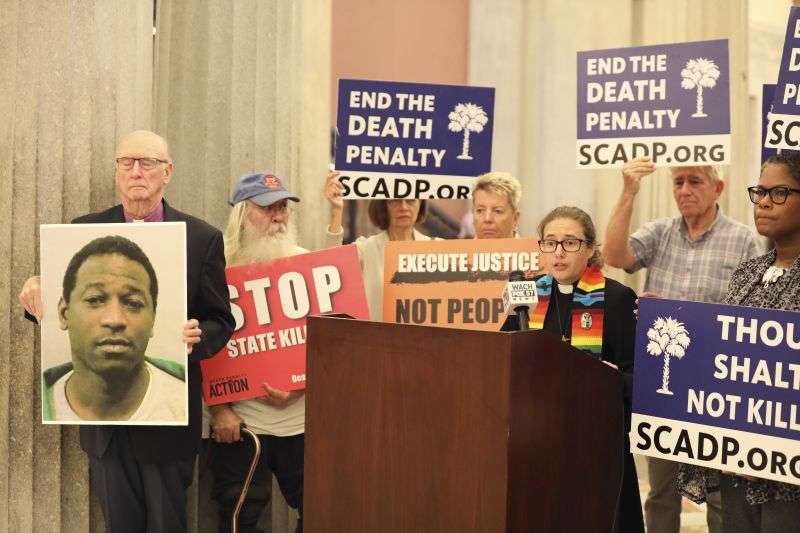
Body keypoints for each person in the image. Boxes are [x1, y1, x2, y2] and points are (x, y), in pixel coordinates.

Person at [18, 130, 235, 532]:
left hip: (169, 426)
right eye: (126, 162)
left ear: (167, 172)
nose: (136, 171)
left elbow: (222, 321)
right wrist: (34, 294)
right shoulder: (82, 230)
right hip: (106, 430)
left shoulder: (201, 238)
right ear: (117, 171)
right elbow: (58, 305)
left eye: (147, 163)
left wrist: (196, 336)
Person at [604, 158, 759, 533]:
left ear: (717, 189)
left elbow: (753, 310)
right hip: (665, 379)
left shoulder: (742, 239)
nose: (684, 191)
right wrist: (629, 190)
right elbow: (614, 255)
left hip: (716, 381)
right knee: (661, 490)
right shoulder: (660, 232)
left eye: (695, 181)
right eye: (678, 183)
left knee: (720, 491)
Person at [503, 206, 644, 533]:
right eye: (550, 243)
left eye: (570, 243)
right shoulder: (527, 297)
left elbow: (639, 382)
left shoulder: (619, 299)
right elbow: (501, 358)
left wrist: (604, 379)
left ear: (590, 249)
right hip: (538, 445)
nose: (558, 252)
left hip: (598, 447)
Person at [679, 153, 800, 532]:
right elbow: (727, 359)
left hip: (789, 472)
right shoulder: (748, 272)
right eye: (760, 192)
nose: (763, 202)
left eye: (779, 192)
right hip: (739, 462)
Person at [208, 172, 305, 533]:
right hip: (242, 427)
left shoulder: (309, 265)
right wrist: (219, 409)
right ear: (241, 215)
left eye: (283, 207)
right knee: (237, 521)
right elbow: (203, 345)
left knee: (324, 512)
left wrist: (303, 385)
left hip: (302, 425)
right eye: (268, 208)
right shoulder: (216, 270)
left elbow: (330, 348)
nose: (279, 216)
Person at [44, 235, 185, 422]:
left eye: (133, 303)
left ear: (153, 318)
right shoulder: (33, 403)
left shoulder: (182, 401)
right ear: (64, 313)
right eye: (94, 299)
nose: (115, 319)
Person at [324, 172, 431, 320]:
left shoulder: (436, 249)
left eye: (411, 199)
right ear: (383, 206)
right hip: (375, 340)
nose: (404, 206)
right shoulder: (366, 249)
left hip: (422, 340)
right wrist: (336, 210)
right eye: (395, 200)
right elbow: (331, 266)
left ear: (421, 204)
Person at [471, 171, 521, 239]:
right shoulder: (458, 249)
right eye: (480, 210)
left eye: (498, 211)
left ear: (515, 218)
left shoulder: (535, 249)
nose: (487, 219)